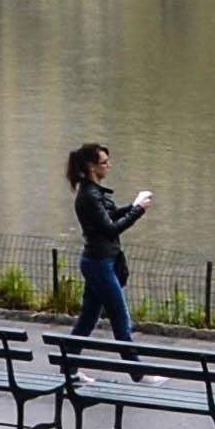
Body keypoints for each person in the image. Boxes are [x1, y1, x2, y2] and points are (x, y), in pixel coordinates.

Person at [67, 141, 147, 344]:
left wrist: (134, 206)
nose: (109, 165)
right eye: (104, 162)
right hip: (100, 264)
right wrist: (138, 211)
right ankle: (137, 374)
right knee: (121, 319)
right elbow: (111, 229)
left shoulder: (92, 193)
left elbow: (109, 216)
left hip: (98, 261)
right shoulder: (90, 196)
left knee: (87, 320)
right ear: (92, 167)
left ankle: (70, 368)